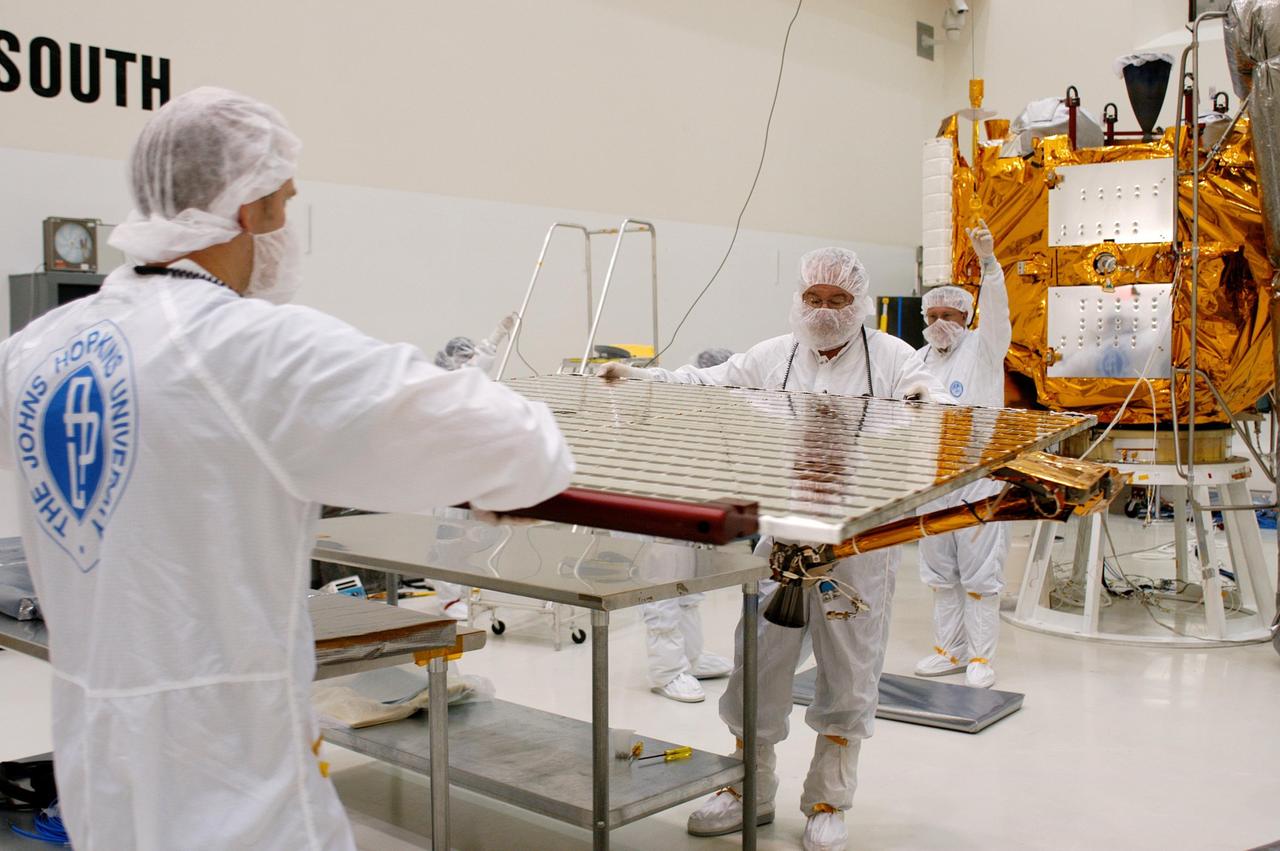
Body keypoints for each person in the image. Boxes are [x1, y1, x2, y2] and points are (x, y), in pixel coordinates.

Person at [0, 87, 574, 851]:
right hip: (234, 790)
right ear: (254, 209)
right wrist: (494, 484)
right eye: (286, 200)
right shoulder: (252, 349)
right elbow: (522, 450)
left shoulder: (35, 348)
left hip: (103, 779)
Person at [602, 247, 946, 851]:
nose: (824, 310)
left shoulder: (893, 357)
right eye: (813, 297)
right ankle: (746, 789)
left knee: (849, 664)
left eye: (837, 300)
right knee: (758, 658)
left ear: (860, 304)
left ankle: (828, 800)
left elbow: (928, 395)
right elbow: (704, 382)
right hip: (783, 531)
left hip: (860, 539)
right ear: (798, 299)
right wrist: (643, 377)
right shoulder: (773, 355)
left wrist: (921, 400)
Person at [909, 220, 1011, 689]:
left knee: (979, 575)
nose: (940, 325)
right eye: (934, 317)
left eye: (951, 316)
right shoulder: (919, 359)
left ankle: (981, 658)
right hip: (932, 482)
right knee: (939, 573)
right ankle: (947, 650)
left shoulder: (984, 348)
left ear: (966, 318)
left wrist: (989, 266)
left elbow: (997, 315)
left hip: (976, 479)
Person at [640, 348, 735, 703]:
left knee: (690, 589)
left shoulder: (718, 412)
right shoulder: (678, 410)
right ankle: (666, 672)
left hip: (693, 513)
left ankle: (691, 658)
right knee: (662, 592)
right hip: (660, 513)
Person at [429, 312, 520, 620]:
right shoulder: (439, 390)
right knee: (448, 539)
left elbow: (479, 363)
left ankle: (460, 589)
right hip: (444, 481)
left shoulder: (464, 387)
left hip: (465, 476)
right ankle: (448, 599)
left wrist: (497, 333)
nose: (470, 365)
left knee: (467, 536)